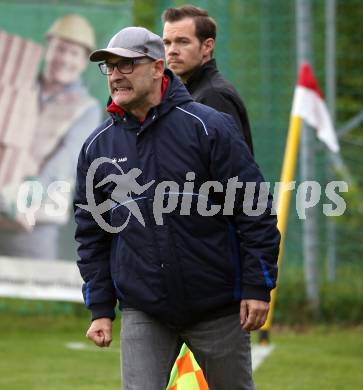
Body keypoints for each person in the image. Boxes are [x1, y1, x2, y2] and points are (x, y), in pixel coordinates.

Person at [74, 26, 280, 390]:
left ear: (156, 68)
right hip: (144, 308)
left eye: (127, 64)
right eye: (110, 67)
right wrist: (101, 308)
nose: (116, 75)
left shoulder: (209, 126)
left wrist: (256, 286)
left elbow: (253, 209)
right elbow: (92, 233)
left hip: (217, 304)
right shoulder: (97, 147)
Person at [0, 14, 102, 259]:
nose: (64, 59)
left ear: (83, 61)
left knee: (31, 290)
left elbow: (64, 164)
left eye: (73, 53)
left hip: (34, 224)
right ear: (48, 50)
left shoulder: (86, 108)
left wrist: (20, 198)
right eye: (59, 49)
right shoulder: (16, 90)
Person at [162, 5, 254, 154]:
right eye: (167, 43)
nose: (172, 51)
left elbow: (231, 168)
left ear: (207, 46)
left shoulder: (214, 95)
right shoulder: (187, 93)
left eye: (183, 41)